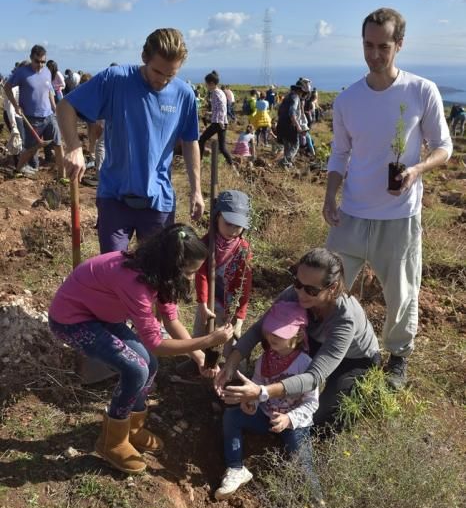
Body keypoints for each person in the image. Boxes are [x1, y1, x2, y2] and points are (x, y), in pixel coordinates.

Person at [323, 7, 453, 389]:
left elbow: (444, 147)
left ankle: (397, 357)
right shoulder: (347, 99)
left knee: (401, 292)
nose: (375, 54)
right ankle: (333, 347)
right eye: (368, 45)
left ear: (400, 45)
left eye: (383, 46)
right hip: (351, 212)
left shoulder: (420, 90)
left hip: (399, 216)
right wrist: (330, 196)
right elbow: (339, 154)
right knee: (327, 285)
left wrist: (415, 171)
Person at [48, 224, 234, 474]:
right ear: (171, 266)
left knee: (151, 363)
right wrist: (206, 342)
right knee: (135, 369)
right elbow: (156, 342)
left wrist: (199, 357)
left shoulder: (159, 275)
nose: (191, 278)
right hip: (72, 320)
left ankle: (132, 428)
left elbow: (171, 321)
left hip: (101, 315)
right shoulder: (135, 282)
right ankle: (111, 441)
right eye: (189, 272)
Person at [57, 28, 204, 253]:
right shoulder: (116, 79)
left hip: (158, 202)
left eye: (170, 75)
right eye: (158, 72)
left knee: (157, 274)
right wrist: (74, 146)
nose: (163, 81)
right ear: (144, 57)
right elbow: (66, 105)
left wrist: (196, 190)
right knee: (114, 271)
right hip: (114, 197)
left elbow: (190, 141)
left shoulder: (184, 95)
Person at [215, 248, 381, 432]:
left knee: (316, 420)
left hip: (355, 359)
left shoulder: (344, 319)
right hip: (314, 340)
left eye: (311, 290)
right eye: (297, 283)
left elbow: (313, 377)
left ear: (332, 288)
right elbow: (259, 329)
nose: (301, 294)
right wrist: (231, 362)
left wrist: (263, 391)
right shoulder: (294, 294)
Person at [215, 300, 322, 502]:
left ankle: (316, 501)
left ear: (298, 335)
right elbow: (256, 385)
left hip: (294, 424)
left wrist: (288, 419)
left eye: (280, 333)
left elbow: (312, 403)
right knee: (232, 416)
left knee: (303, 461)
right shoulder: (264, 360)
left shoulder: (305, 364)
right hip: (266, 415)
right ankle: (236, 467)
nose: (273, 336)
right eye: (271, 331)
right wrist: (251, 403)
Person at [177, 190, 252, 376]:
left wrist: (239, 314)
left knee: (229, 336)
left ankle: (231, 370)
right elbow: (201, 274)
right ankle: (197, 361)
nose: (233, 230)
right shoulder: (206, 243)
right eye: (228, 224)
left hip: (230, 304)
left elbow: (245, 284)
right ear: (216, 217)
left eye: (238, 226)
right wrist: (202, 303)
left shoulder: (243, 250)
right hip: (209, 300)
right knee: (202, 331)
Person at [3, 45, 65, 179]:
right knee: (31, 149)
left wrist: (55, 109)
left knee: (58, 144)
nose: (40, 64)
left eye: (43, 61)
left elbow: (49, 92)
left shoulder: (47, 72)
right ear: (31, 58)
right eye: (37, 61)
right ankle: (18, 170)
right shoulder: (22, 73)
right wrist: (16, 105)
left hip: (49, 116)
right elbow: (7, 87)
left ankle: (62, 177)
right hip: (32, 119)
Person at [198, 71, 235, 168]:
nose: (205, 85)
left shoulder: (215, 93)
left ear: (211, 83)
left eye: (206, 84)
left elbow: (222, 108)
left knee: (201, 139)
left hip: (218, 123)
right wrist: (209, 113)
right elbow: (219, 108)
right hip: (222, 122)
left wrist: (220, 121)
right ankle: (232, 166)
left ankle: (199, 162)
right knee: (222, 147)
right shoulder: (220, 92)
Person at [276, 77, 312, 168]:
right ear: (303, 90)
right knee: (295, 146)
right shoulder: (295, 98)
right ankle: (284, 162)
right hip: (290, 126)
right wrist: (298, 126)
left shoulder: (288, 96)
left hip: (281, 124)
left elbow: (280, 111)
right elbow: (292, 113)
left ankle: (286, 165)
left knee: (287, 146)